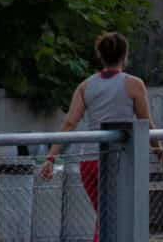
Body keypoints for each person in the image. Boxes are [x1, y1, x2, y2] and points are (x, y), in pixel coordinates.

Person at [42, 32, 152, 242]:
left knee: (105, 219)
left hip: (89, 161)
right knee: (113, 221)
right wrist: (158, 148)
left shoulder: (86, 86)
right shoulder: (134, 84)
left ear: (100, 56)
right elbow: (146, 123)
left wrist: (51, 157)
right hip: (119, 162)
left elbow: (69, 123)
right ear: (125, 55)